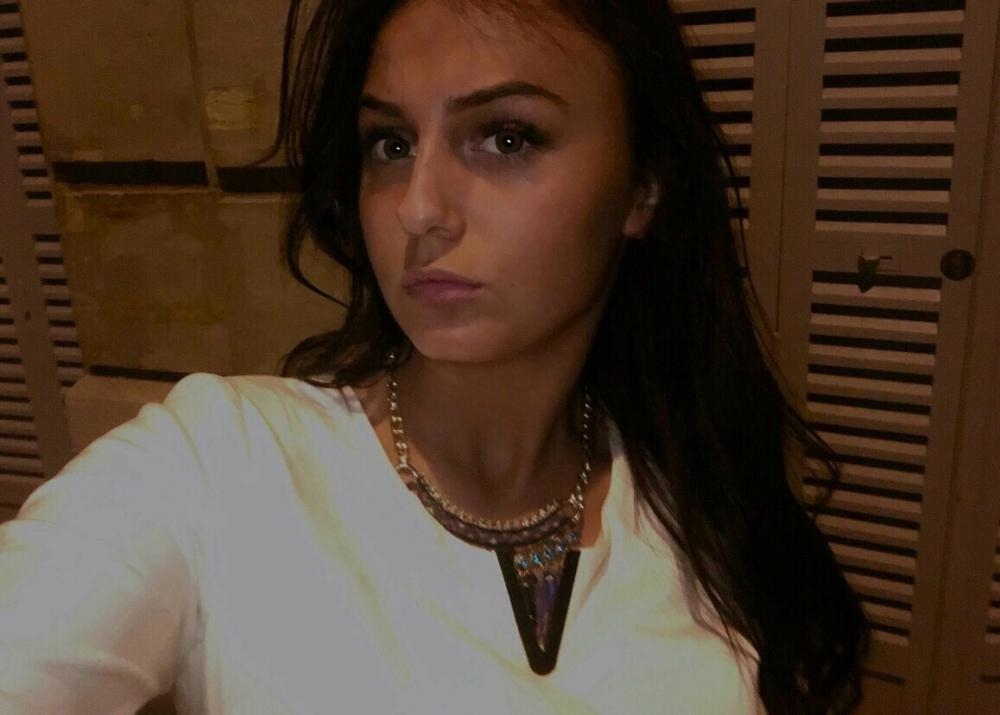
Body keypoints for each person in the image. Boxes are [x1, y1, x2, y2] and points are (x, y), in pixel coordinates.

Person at [0, 0, 871, 712]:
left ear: (643, 184)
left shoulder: (699, 494)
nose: (418, 208)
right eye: (391, 143)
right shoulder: (219, 466)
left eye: (507, 137)